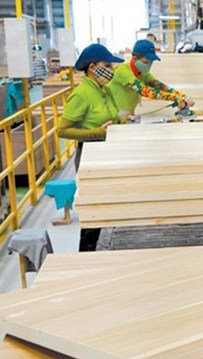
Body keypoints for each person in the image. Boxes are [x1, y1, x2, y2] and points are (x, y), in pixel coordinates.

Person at [57, 43, 124, 252]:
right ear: (93, 67)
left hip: (107, 154)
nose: (112, 70)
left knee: (106, 209)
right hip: (90, 158)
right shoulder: (82, 94)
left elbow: (110, 117)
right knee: (94, 213)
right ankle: (87, 254)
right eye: (107, 65)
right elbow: (63, 130)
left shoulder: (104, 90)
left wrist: (122, 120)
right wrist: (97, 133)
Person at [107, 39, 194, 118]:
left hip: (127, 115)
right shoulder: (123, 71)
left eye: (151, 62)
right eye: (146, 62)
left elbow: (160, 86)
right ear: (134, 57)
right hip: (113, 115)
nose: (149, 65)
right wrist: (175, 98)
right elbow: (144, 91)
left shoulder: (143, 74)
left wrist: (182, 96)